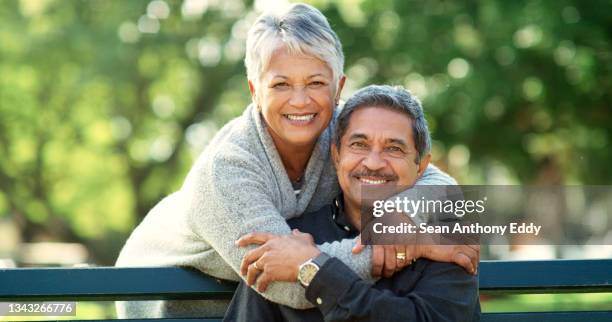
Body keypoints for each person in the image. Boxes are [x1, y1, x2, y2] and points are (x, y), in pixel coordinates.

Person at [115, 3, 477, 318]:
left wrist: (405, 219)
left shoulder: (347, 137)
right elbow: (284, 281)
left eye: (316, 83)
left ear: (338, 87)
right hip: (171, 297)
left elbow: (434, 183)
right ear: (255, 90)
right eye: (281, 85)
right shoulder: (226, 170)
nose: (301, 101)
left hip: (262, 301)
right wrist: (408, 244)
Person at [225, 85, 480, 322]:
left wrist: (316, 271)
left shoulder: (447, 240)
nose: (373, 162)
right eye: (359, 145)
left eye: (394, 149)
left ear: (421, 167)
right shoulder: (290, 239)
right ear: (336, 156)